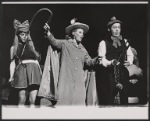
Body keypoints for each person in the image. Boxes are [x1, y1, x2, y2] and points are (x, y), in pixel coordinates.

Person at [38, 18, 99, 106]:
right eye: (80, 32)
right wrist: (48, 32)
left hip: (79, 82)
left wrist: (98, 58)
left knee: (79, 104)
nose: (82, 35)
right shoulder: (65, 44)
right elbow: (54, 42)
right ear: (73, 33)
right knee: (64, 103)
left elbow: (89, 62)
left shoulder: (82, 49)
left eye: (83, 33)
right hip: (65, 81)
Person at [97, 16, 134, 105]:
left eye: (119, 27)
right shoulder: (103, 43)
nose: (117, 30)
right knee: (109, 99)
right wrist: (110, 62)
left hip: (123, 73)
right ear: (109, 29)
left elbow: (130, 55)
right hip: (109, 75)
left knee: (124, 98)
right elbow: (101, 59)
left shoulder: (125, 41)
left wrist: (129, 61)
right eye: (114, 27)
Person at [8, 19, 42, 107]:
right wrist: (11, 77)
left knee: (32, 101)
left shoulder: (31, 47)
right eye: (22, 34)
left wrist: (40, 73)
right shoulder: (14, 48)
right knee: (22, 99)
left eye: (26, 34)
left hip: (34, 71)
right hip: (22, 70)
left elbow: (36, 61)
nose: (24, 36)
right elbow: (12, 63)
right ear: (18, 35)